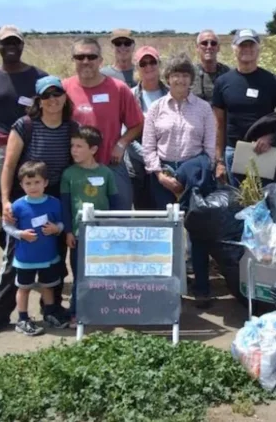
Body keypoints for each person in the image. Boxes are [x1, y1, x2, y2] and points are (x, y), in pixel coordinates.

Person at [0, 25, 49, 337]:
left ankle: (51, 307)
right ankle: (0, 312)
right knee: (11, 228)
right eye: (6, 43)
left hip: (33, 151)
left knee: (42, 224)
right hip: (2, 150)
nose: (11, 47)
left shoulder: (38, 75)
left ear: (22, 45)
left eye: (16, 43)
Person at [0, 75, 78, 323]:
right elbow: (8, 167)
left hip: (55, 197)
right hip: (27, 198)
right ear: (38, 101)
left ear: (65, 97)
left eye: (57, 94)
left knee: (54, 254)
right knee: (16, 258)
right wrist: (6, 201)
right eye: (46, 96)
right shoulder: (25, 125)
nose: (53, 100)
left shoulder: (71, 127)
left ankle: (50, 309)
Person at [142, 54, 217, 308]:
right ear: (168, 78)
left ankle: (202, 287)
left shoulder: (203, 109)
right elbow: (148, 147)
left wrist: (196, 172)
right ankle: (168, 288)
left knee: (198, 232)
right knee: (167, 233)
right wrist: (159, 174)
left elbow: (209, 148)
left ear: (191, 80)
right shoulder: (156, 109)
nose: (180, 79)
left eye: (185, 75)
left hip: (195, 173)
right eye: (176, 75)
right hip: (162, 173)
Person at [62, 37, 145, 211]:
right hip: (76, 168)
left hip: (111, 164)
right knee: (80, 222)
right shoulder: (63, 89)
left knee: (120, 216)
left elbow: (137, 123)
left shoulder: (118, 88)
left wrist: (121, 144)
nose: (86, 61)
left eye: (91, 57)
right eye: (80, 57)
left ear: (100, 60)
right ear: (73, 60)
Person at [211, 29, 276, 188]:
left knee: (268, 204)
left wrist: (271, 138)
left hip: (266, 152)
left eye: (251, 45)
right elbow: (218, 125)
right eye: (242, 45)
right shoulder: (223, 82)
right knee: (238, 206)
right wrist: (219, 161)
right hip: (235, 153)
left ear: (258, 49)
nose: (246, 49)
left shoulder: (272, 81)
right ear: (234, 49)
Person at [1, 161, 68, 336]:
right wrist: (20, 234)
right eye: (28, 183)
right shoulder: (17, 206)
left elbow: (62, 223)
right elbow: (6, 226)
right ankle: (22, 319)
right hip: (25, 259)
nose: (33, 187)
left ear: (45, 183)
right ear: (21, 185)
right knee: (24, 288)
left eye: (37, 182)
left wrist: (56, 229)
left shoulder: (54, 203)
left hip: (49, 256)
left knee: (48, 286)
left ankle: (50, 313)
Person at [61, 126, 119, 323]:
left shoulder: (106, 173)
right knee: (80, 276)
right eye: (72, 146)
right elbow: (65, 205)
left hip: (103, 235)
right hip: (79, 234)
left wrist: (113, 230)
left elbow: (115, 204)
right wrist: (68, 231)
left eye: (79, 146)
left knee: (103, 274)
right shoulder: (68, 174)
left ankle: (103, 309)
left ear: (93, 150)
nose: (74, 150)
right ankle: (77, 312)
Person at [130, 46, 168, 210]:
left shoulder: (171, 94)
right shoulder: (130, 95)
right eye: (143, 63)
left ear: (159, 64)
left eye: (152, 62)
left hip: (166, 164)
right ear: (137, 68)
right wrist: (150, 159)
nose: (148, 67)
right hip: (138, 167)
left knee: (167, 214)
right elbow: (126, 136)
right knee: (143, 216)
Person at [191, 30, 231, 103]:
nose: (209, 47)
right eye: (204, 43)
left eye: (213, 43)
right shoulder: (189, 73)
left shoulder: (229, 73)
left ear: (218, 48)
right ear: (197, 47)